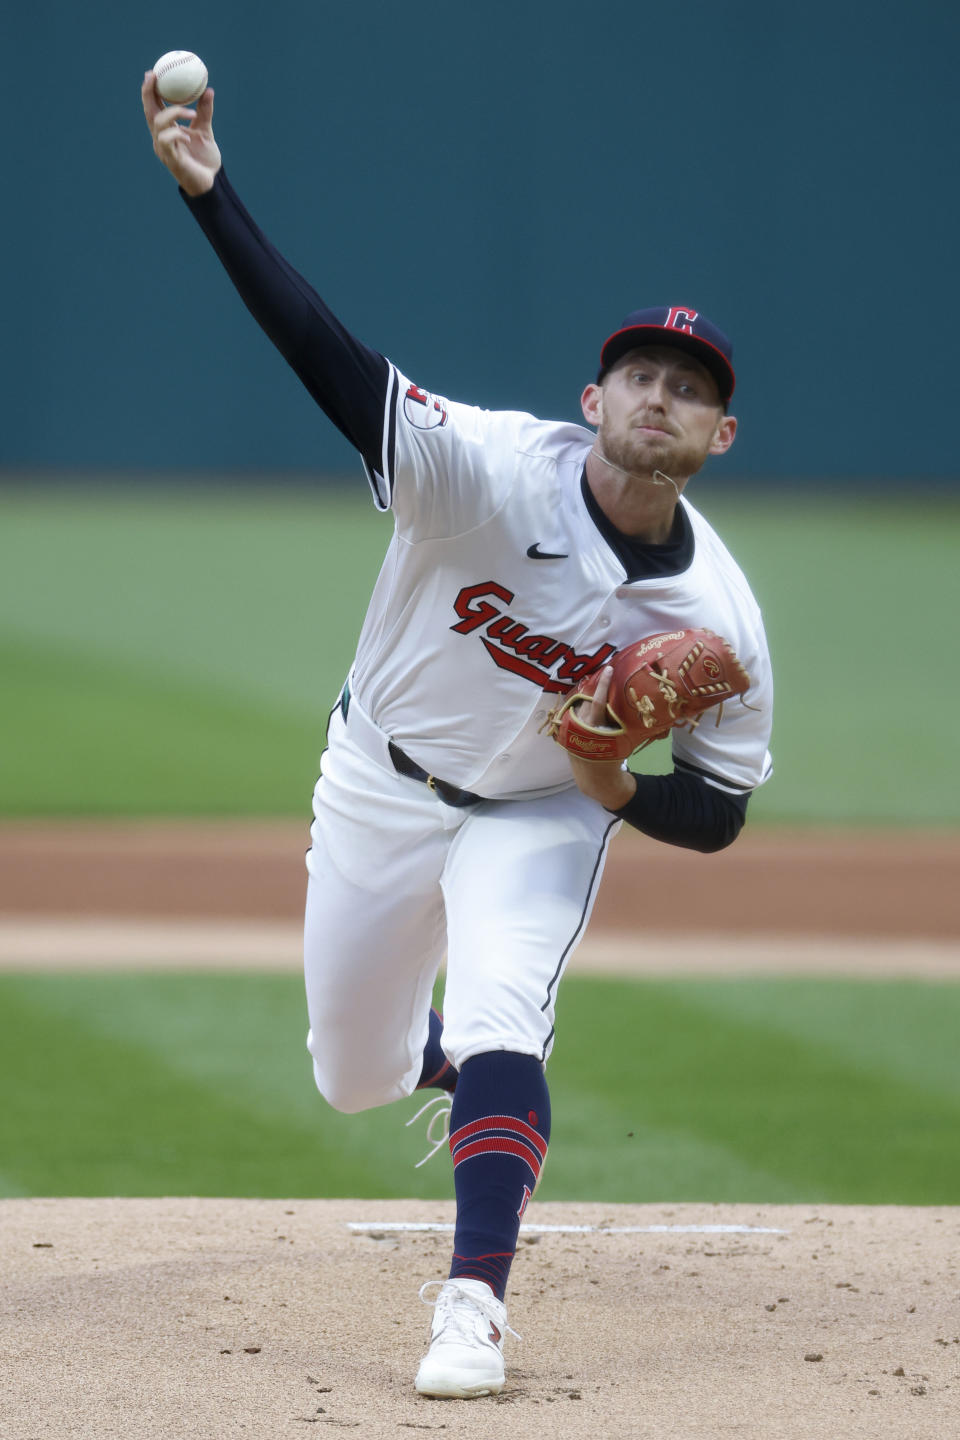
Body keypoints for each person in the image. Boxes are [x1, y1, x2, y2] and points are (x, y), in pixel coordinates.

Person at [142, 76, 773, 1399]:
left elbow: (718, 809)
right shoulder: (481, 468)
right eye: (638, 375)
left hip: (541, 815)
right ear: (591, 401)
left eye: (688, 388)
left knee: (509, 1016)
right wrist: (210, 190)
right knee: (352, 1076)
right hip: (378, 781)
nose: (658, 396)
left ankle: (472, 1307)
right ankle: (435, 1060)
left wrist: (614, 785)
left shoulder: (720, 621)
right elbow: (329, 357)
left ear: (721, 435)